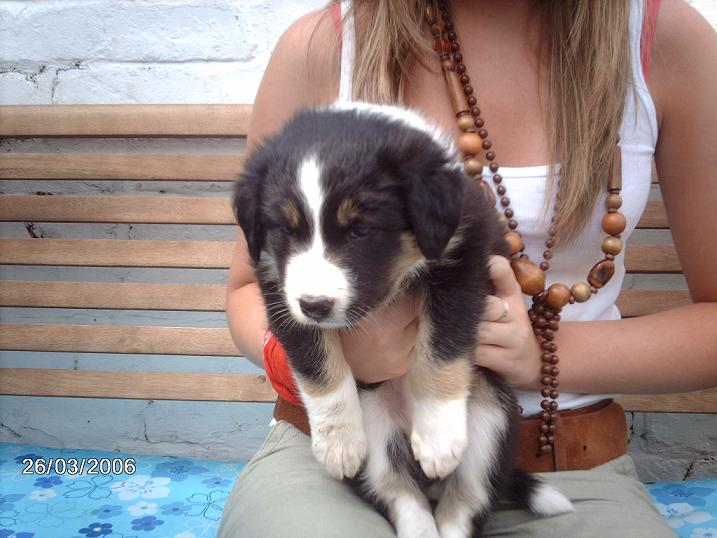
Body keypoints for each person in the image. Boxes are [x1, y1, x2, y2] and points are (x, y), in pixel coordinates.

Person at [218, 0, 717, 536]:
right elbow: (250, 285)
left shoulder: (665, 38)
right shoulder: (323, 44)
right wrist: (334, 362)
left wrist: (540, 357)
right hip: (342, 449)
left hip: (558, 454)